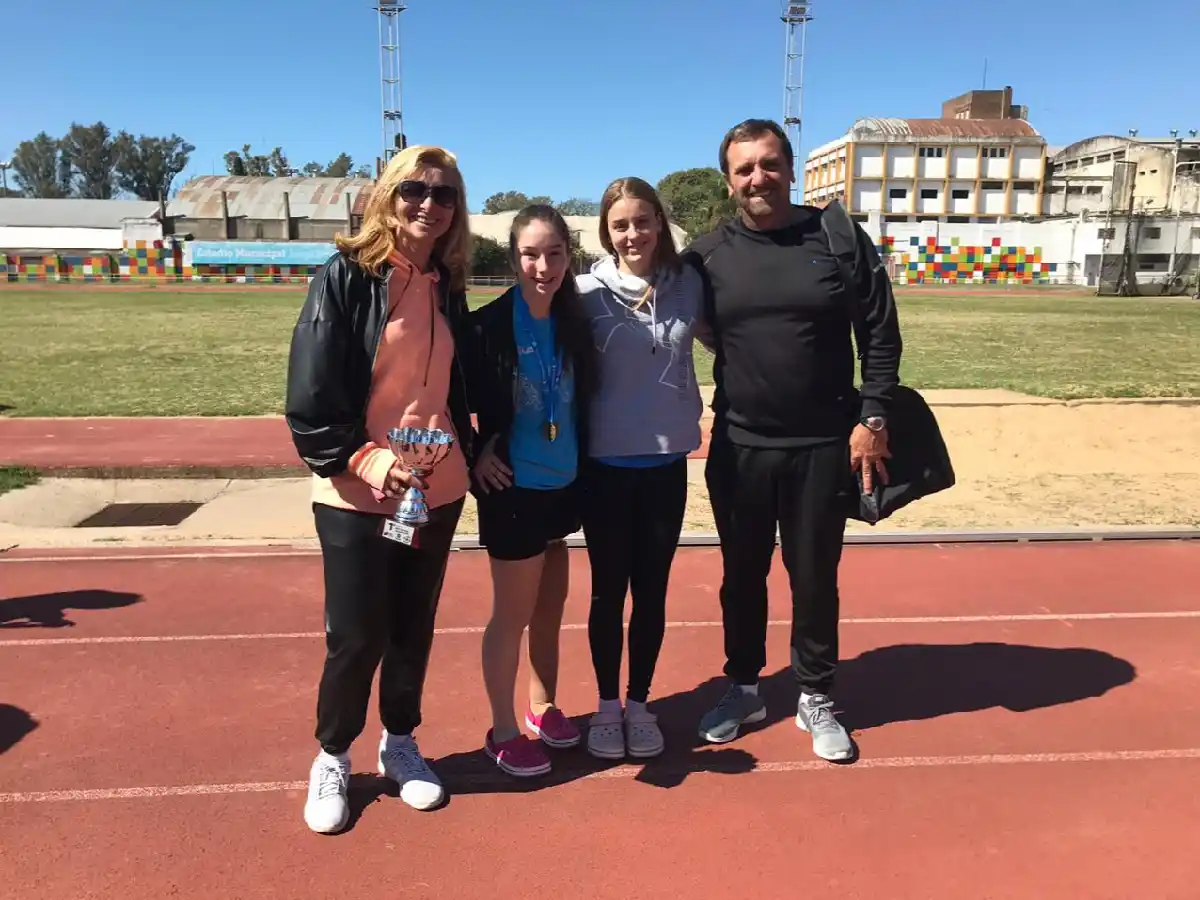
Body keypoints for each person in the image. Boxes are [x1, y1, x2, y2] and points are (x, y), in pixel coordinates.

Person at [682, 118, 902, 761]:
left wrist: (873, 417)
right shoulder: (706, 254)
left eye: (769, 164)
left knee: (814, 578)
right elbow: (700, 328)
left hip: (823, 446)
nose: (759, 178)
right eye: (745, 168)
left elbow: (880, 332)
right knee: (741, 577)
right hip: (740, 447)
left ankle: (815, 694)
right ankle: (744, 687)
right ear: (729, 180)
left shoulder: (837, 236)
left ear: (790, 167)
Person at [284, 144, 475, 833]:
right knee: (356, 635)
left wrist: (473, 451)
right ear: (388, 197)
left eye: (445, 194)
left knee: (412, 627)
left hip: (435, 492)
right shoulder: (344, 277)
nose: (429, 204)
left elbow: (460, 386)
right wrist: (366, 462)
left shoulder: (448, 285)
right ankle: (334, 755)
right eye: (414, 190)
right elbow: (311, 398)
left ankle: (401, 743)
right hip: (356, 493)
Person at [573, 177, 707, 760]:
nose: (633, 234)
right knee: (608, 591)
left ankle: (640, 703)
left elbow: (730, 337)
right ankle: (607, 706)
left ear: (660, 223)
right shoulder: (582, 293)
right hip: (603, 464)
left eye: (643, 221)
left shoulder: (689, 285)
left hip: (665, 464)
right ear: (606, 231)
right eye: (620, 224)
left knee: (652, 591)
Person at [464, 204, 599, 777]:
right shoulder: (487, 326)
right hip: (514, 487)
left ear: (569, 255)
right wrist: (475, 453)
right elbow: (449, 403)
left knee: (550, 608)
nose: (544, 267)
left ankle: (542, 706)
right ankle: (501, 730)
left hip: (563, 485)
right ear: (513, 258)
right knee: (512, 615)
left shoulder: (575, 319)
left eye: (554, 254)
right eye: (530, 255)